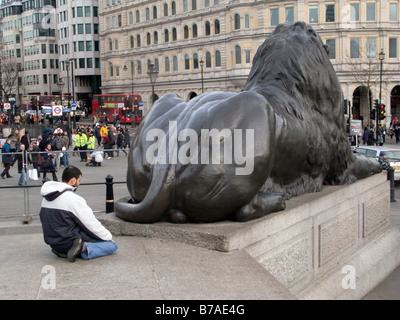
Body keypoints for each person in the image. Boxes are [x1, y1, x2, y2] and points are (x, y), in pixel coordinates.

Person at [39, 166, 118, 262]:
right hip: (69, 241)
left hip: (53, 241)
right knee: (112, 246)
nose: (79, 183)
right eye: (79, 180)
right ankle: (81, 249)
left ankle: (61, 250)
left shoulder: (46, 198)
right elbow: (90, 224)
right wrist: (108, 237)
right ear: (73, 181)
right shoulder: (72, 199)